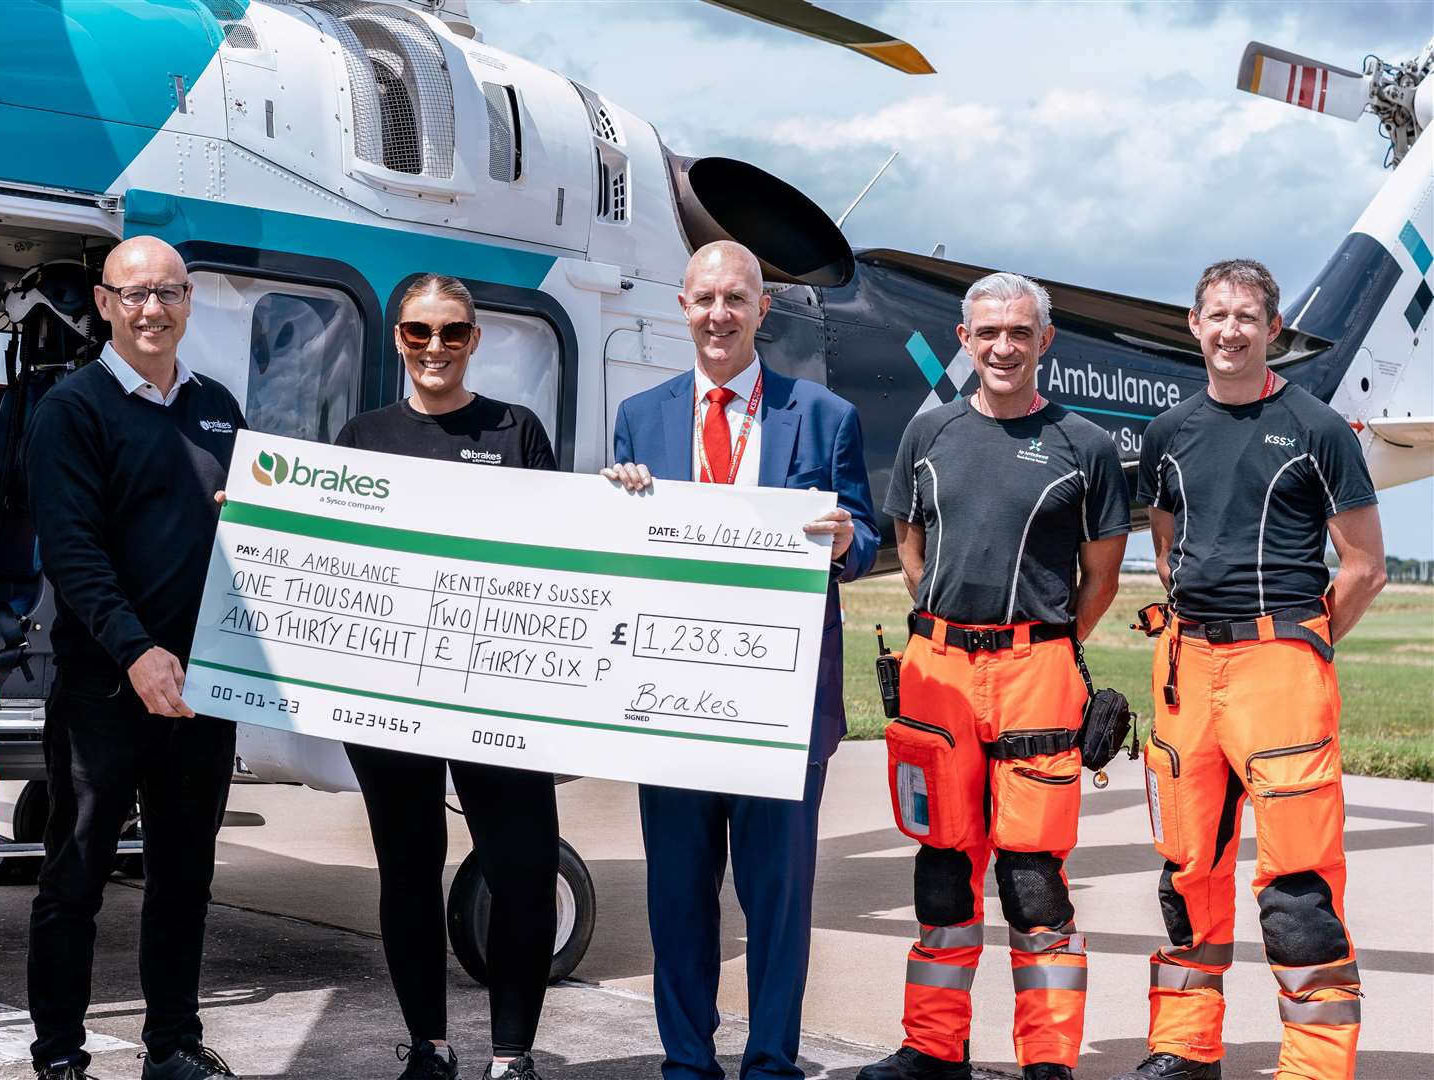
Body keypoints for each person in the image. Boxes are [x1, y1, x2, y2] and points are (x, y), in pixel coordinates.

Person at [602, 240, 879, 1080]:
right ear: (681, 308)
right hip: (675, 702)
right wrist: (613, 507)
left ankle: (771, 1063)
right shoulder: (640, 419)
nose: (718, 315)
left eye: (736, 300)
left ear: (764, 311)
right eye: (704, 299)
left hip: (782, 709)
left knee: (777, 905)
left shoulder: (824, 415)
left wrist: (843, 543)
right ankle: (687, 1062)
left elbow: (866, 538)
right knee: (678, 903)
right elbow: (617, 551)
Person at [1115, 259, 1385, 1080]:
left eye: (1247, 316)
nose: (1230, 330)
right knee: (1185, 866)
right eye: (1216, 315)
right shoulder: (1167, 434)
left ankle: (1313, 1064)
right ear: (1194, 326)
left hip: (1281, 667)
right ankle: (1185, 1048)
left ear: (1273, 330)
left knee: (1297, 885)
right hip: (1186, 667)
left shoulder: (1318, 429)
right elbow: (1168, 546)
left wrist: (1301, 642)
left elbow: (1364, 564)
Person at [859, 274, 1129, 1080]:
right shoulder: (929, 434)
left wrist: (1037, 644)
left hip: (1037, 671)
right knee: (943, 869)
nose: (1003, 347)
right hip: (937, 668)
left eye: (1019, 332)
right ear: (965, 339)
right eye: (988, 334)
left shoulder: (1086, 445)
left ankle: (1048, 1060)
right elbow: (911, 548)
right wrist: (953, 632)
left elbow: (1102, 576)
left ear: (1045, 341)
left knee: (1033, 878)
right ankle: (932, 1050)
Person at [23, 237, 245, 1080]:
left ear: (188, 302)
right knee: (74, 878)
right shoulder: (73, 408)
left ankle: (173, 1048)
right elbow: (73, 552)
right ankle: (60, 1057)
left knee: (185, 879)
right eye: (135, 293)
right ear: (104, 303)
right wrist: (138, 651)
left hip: (204, 693)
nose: (153, 308)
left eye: (169, 292)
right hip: (107, 690)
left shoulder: (218, 408)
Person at [332, 274, 559, 1080]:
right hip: (392, 699)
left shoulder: (516, 431)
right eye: (419, 332)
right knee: (408, 866)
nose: (435, 348)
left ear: (475, 339)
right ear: (397, 337)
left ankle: (512, 1055)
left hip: (499, 694)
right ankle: (428, 1046)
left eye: (452, 332)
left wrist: (624, 501)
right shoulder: (363, 437)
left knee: (525, 872)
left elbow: (557, 557)